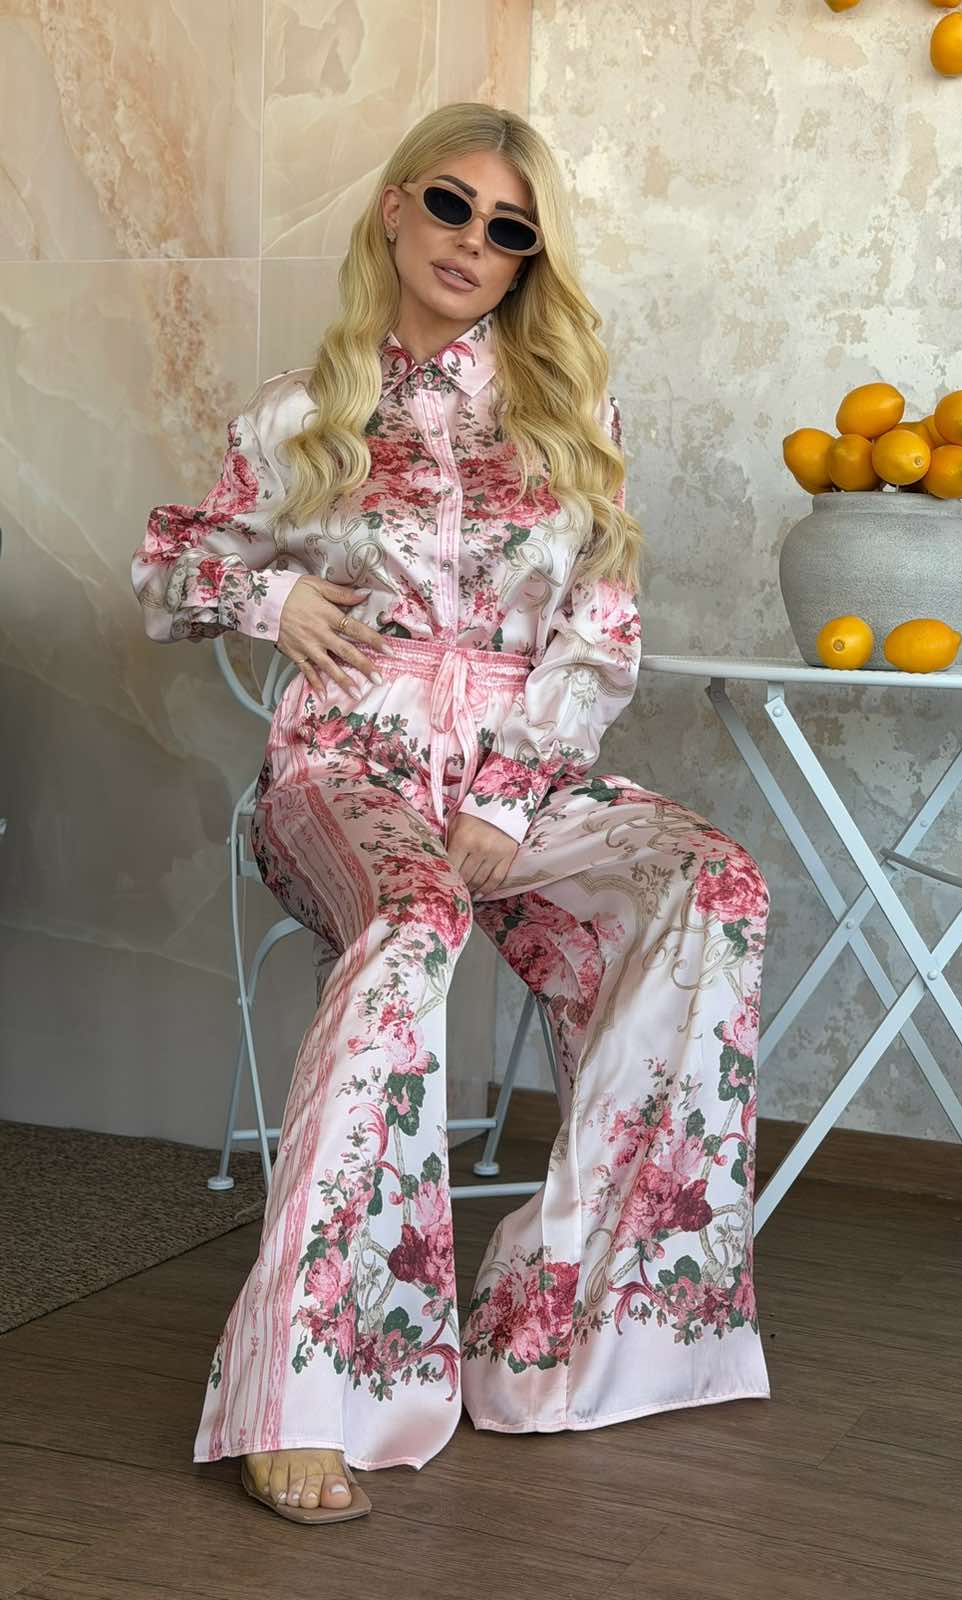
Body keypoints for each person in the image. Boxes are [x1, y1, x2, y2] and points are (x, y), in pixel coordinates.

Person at [131, 101, 771, 1525]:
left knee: (710, 884)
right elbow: (166, 568)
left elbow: (601, 633)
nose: (473, 241)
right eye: (450, 205)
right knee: (416, 915)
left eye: (509, 228)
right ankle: (307, 1387)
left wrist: (503, 798)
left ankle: (565, 1329)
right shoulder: (299, 416)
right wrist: (272, 596)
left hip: (520, 784)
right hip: (342, 774)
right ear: (395, 208)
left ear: (531, 257)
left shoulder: (570, 423)